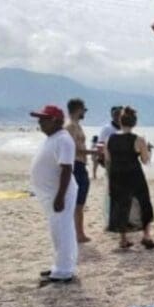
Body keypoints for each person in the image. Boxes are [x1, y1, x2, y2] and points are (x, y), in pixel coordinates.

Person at [29, 105, 78, 284]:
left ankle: (64, 271)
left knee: (62, 231)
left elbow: (66, 169)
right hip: (51, 194)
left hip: (59, 194)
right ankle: (60, 265)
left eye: (43, 119)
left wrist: (60, 196)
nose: (40, 122)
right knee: (57, 231)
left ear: (55, 120)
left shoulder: (63, 139)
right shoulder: (53, 138)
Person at [105, 107, 154, 250]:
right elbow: (145, 160)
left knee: (120, 205)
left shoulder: (110, 138)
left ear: (120, 122)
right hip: (134, 175)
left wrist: (110, 177)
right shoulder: (139, 139)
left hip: (116, 175)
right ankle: (146, 236)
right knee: (144, 203)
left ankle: (123, 240)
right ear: (134, 123)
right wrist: (148, 150)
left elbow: (108, 159)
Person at [65, 98, 97, 243]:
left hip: (79, 164)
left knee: (79, 202)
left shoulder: (76, 125)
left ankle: (78, 232)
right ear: (78, 109)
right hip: (76, 165)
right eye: (84, 109)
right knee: (77, 202)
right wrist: (93, 152)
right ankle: (79, 234)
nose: (85, 112)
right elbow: (73, 148)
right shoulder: (71, 126)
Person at [98, 106, 122, 226]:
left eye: (120, 114)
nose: (118, 117)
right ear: (112, 115)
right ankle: (110, 220)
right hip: (111, 165)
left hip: (125, 166)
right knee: (110, 193)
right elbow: (100, 146)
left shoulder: (125, 128)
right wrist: (104, 162)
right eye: (115, 114)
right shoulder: (107, 129)